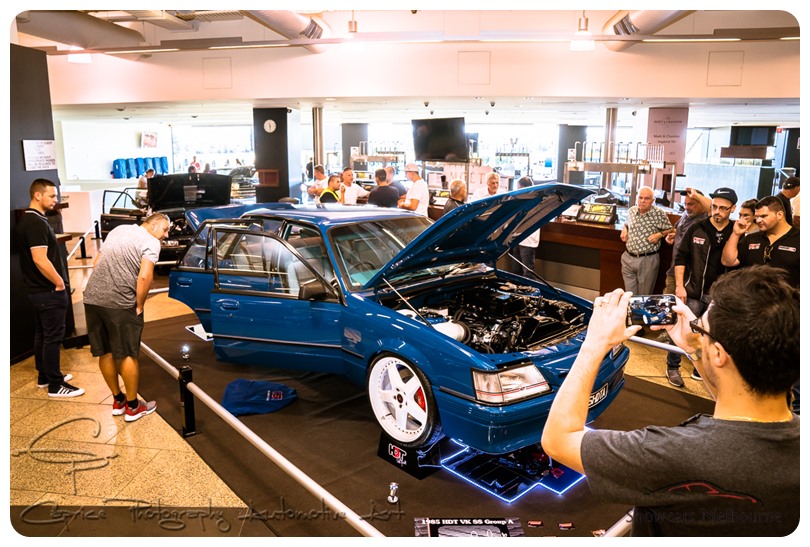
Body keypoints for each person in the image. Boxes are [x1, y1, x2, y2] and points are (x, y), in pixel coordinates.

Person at [541, 265, 799, 536]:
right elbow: (739, 398)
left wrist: (594, 343)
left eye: (701, 328)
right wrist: (695, 347)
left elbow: (558, 440)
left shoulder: (671, 454)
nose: (697, 332)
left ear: (719, 355)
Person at [83, 213, 170, 421]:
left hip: (92, 299)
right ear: (153, 224)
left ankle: (118, 400)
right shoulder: (151, 241)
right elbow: (145, 276)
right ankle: (133, 407)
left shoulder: (119, 230)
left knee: (105, 352)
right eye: (165, 229)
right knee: (128, 353)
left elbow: (97, 263)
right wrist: (139, 304)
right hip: (121, 303)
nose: (166, 235)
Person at [15, 179, 84, 398]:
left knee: (43, 334)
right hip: (47, 291)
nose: (56, 200)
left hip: (38, 291)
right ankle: (56, 385)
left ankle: (45, 376)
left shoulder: (30, 220)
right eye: (52, 196)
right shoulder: (35, 222)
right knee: (52, 338)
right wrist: (59, 283)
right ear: (37, 195)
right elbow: (40, 259)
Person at [672, 187, 737, 384]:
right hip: (692, 291)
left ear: (733, 209)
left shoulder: (736, 232)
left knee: (711, 334)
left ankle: (700, 369)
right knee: (682, 329)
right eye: (714, 206)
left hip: (718, 295)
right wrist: (679, 286)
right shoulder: (697, 227)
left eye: (723, 208)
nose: (717, 211)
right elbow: (680, 257)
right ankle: (672, 366)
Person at [661, 188, 708, 386]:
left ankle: (689, 363)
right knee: (668, 305)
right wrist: (671, 236)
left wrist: (697, 195)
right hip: (674, 270)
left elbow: (710, 206)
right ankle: (667, 336)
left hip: (690, 278)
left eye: (692, 204)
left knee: (688, 318)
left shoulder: (705, 219)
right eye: (686, 204)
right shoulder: (685, 216)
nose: (687, 207)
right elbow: (677, 230)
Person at [721, 195, 800, 287]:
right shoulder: (751, 239)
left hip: (787, 295)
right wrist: (736, 234)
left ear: (779, 215)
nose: (758, 220)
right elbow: (728, 261)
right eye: (757, 217)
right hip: (752, 295)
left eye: (763, 216)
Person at [620, 185, 674, 295]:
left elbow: (671, 229)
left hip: (647, 259)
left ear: (653, 201)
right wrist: (624, 228)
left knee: (643, 297)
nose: (642, 201)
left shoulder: (659, 213)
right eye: (640, 197)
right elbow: (626, 222)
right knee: (629, 295)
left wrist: (659, 235)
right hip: (628, 258)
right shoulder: (631, 211)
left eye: (647, 198)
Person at [515, 176, 540, 277]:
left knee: (528, 273)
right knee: (516, 273)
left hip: (528, 240)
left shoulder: (536, 201)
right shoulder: (520, 199)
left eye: (519, 188)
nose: (518, 190)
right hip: (516, 238)